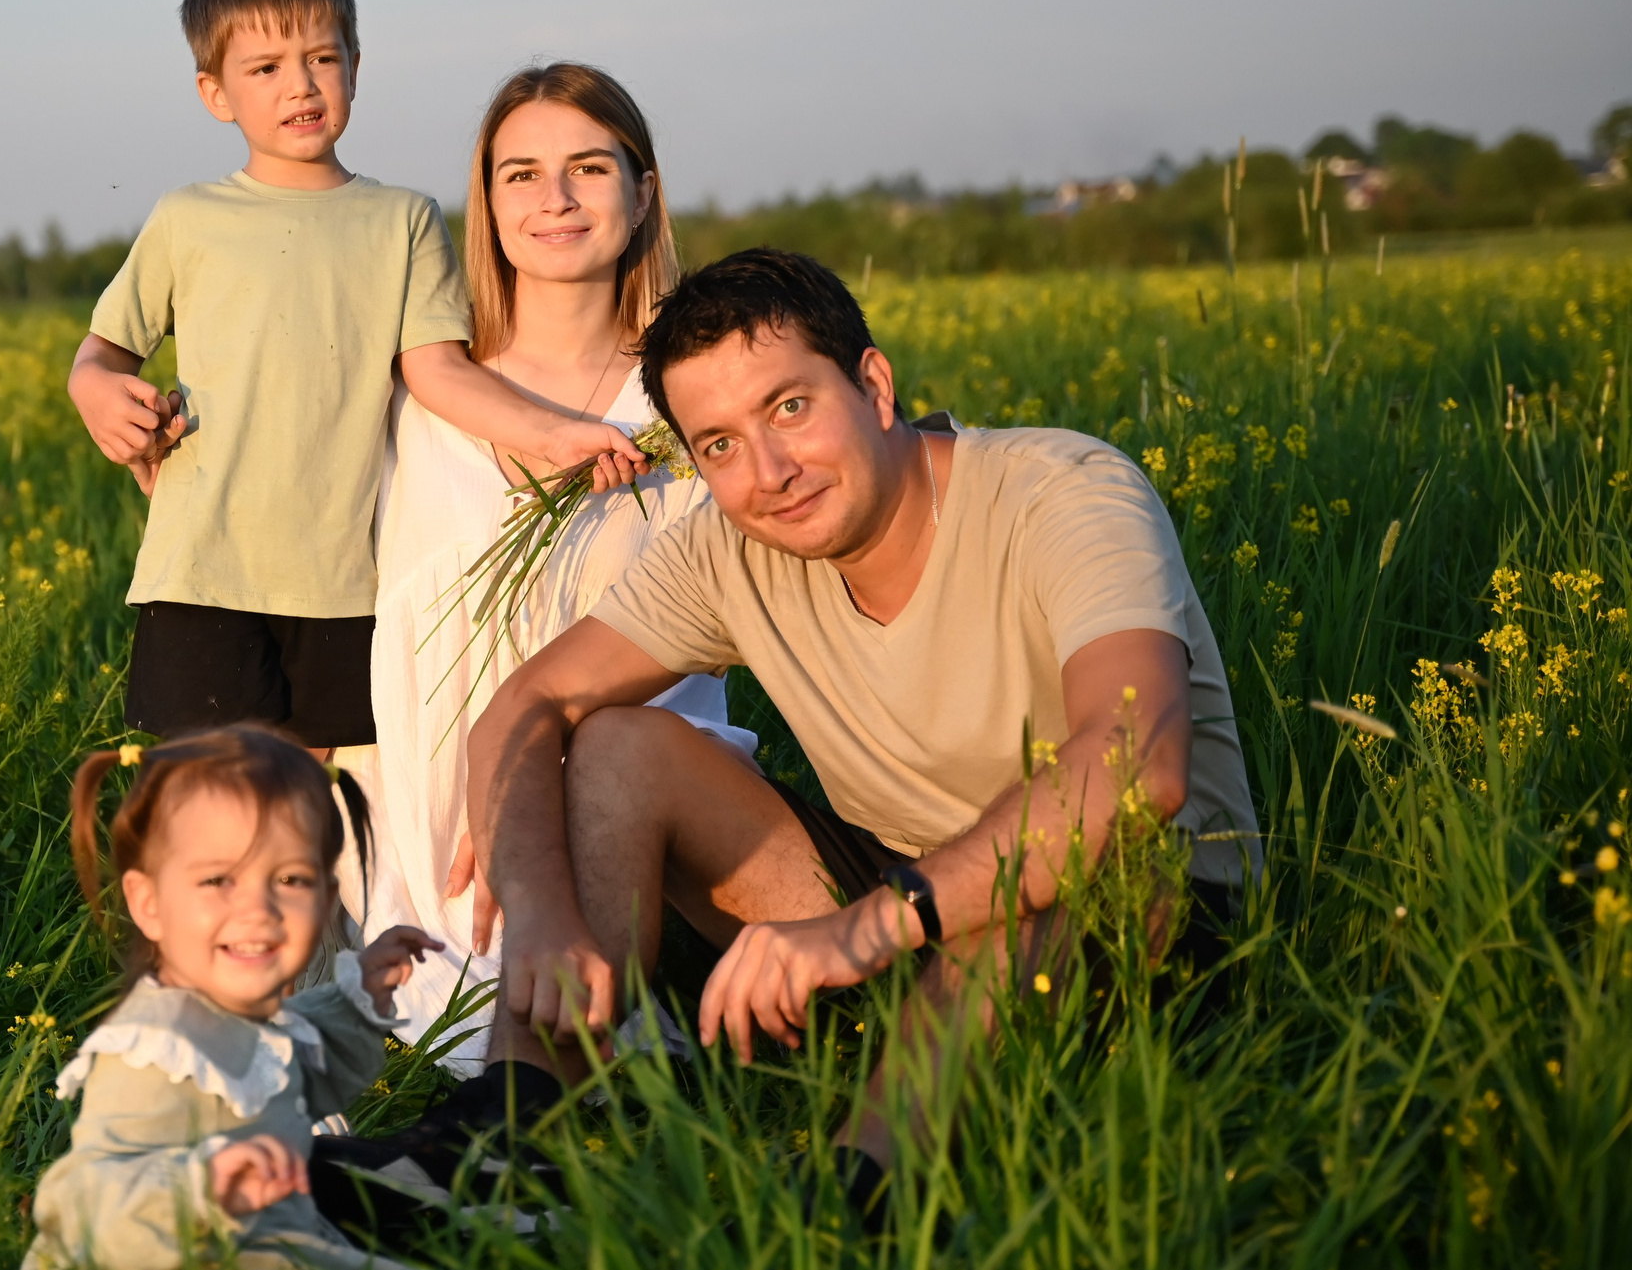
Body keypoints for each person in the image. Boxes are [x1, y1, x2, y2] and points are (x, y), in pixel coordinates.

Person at [361, 248, 1259, 1217]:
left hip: (1137, 912)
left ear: (873, 384)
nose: (770, 473)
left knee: (1024, 885)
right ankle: (508, 1130)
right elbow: (528, 704)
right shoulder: (730, 548)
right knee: (621, 745)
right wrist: (539, 915)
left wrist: (861, 930)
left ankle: (845, 1203)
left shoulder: (1063, 489)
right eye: (718, 445)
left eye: (790, 408)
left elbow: (1135, 766)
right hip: (902, 899)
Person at [65, 0, 644, 756]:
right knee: (209, 795)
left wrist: (552, 435)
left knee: (316, 805)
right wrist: (96, 394)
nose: (300, 85)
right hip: (200, 568)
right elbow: (102, 355)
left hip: (342, 581)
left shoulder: (403, 221)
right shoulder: (187, 217)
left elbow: (439, 372)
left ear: (356, 69)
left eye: (322, 58)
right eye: (265, 68)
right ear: (214, 92)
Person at [350, 62, 754, 1075]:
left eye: (587, 167)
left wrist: (527, 810)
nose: (555, 199)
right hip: (424, 806)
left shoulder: (693, 400)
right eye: (519, 173)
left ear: (643, 189)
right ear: (484, 202)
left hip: (621, 789)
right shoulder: (418, 390)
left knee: (570, 1029)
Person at [18, 725, 532, 1270]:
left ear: (326, 896)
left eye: (289, 878)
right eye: (217, 879)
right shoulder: (155, 1048)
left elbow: (295, 1062)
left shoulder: (238, 1008)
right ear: (149, 903)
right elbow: (87, 1203)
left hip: (269, 1244)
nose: (257, 907)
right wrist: (207, 1183)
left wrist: (359, 995)